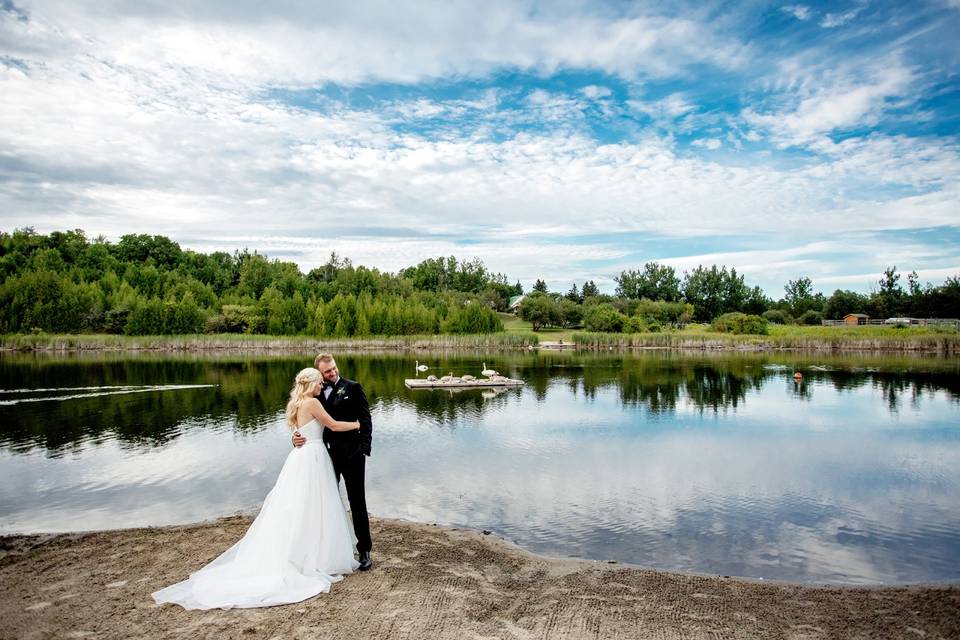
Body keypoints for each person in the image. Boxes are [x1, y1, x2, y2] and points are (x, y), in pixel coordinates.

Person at [152, 368, 361, 610]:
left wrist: (296, 436)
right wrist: (356, 424)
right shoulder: (312, 402)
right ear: (311, 383)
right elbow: (333, 426)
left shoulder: (297, 402)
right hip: (312, 457)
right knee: (313, 504)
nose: (321, 385)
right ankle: (313, 556)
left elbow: (298, 430)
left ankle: (307, 550)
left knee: (300, 505)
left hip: (301, 457)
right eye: (318, 382)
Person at [292, 353, 373, 571]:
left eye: (334, 368)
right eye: (327, 371)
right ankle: (326, 549)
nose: (333, 373)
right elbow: (303, 422)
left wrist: (364, 449)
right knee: (323, 501)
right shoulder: (314, 393)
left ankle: (364, 549)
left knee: (357, 501)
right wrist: (295, 437)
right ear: (319, 372)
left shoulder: (353, 387)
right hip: (324, 457)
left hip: (353, 455)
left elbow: (365, 419)